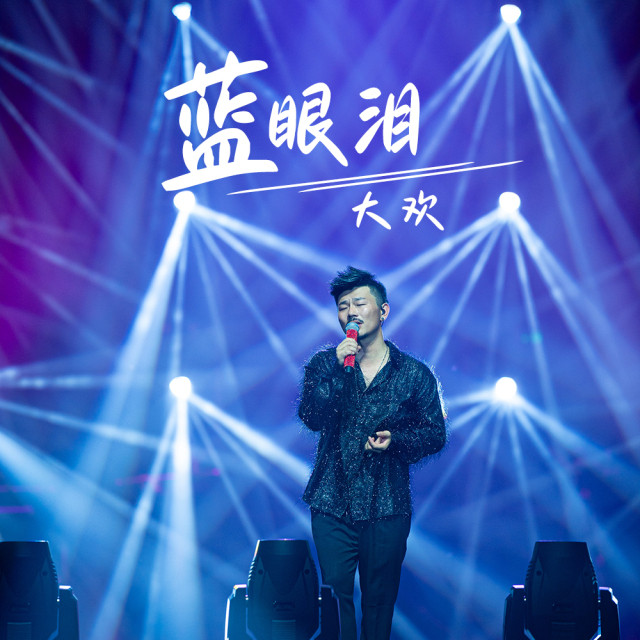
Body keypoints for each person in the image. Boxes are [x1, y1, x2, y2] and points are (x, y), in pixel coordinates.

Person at [298, 266, 447, 640]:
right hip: (332, 502)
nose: (350, 312)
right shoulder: (324, 364)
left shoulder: (413, 374)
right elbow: (312, 416)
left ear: (383, 311)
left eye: (359, 303)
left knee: (379, 603)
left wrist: (395, 440)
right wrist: (337, 369)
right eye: (343, 306)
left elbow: (434, 434)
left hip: (386, 505)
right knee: (335, 600)